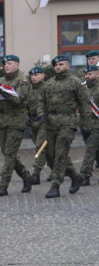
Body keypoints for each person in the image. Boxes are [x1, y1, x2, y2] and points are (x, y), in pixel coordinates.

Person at [39, 54, 91, 198]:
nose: (58, 67)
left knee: (61, 154)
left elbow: (84, 103)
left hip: (67, 123)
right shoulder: (48, 84)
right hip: (50, 124)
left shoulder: (75, 82)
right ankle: (76, 177)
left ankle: (55, 185)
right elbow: (40, 101)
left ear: (68, 66)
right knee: (51, 155)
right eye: (56, 65)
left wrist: (86, 124)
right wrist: (41, 114)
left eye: (61, 64)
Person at [0, 55, 33, 195]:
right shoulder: (0, 80)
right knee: (7, 154)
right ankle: (26, 177)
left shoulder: (23, 81)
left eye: (10, 63)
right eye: (5, 63)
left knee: (10, 154)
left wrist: (3, 91)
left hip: (16, 121)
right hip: (2, 121)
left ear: (17, 65)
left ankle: (3, 185)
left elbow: (19, 101)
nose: (7, 66)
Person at [27, 66, 52, 184]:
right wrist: (26, 116)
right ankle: (56, 170)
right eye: (32, 75)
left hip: (45, 122)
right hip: (33, 122)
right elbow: (25, 104)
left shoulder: (48, 88)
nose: (33, 77)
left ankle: (36, 174)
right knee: (46, 149)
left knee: (40, 147)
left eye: (36, 75)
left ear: (43, 76)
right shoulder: (29, 89)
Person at [78, 66, 99, 184]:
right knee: (95, 150)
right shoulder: (82, 88)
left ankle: (85, 175)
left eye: (90, 74)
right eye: (86, 74)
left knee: (90, 150)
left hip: (96, 125)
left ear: (97, 74)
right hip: (84, 124)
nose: (87, 76)